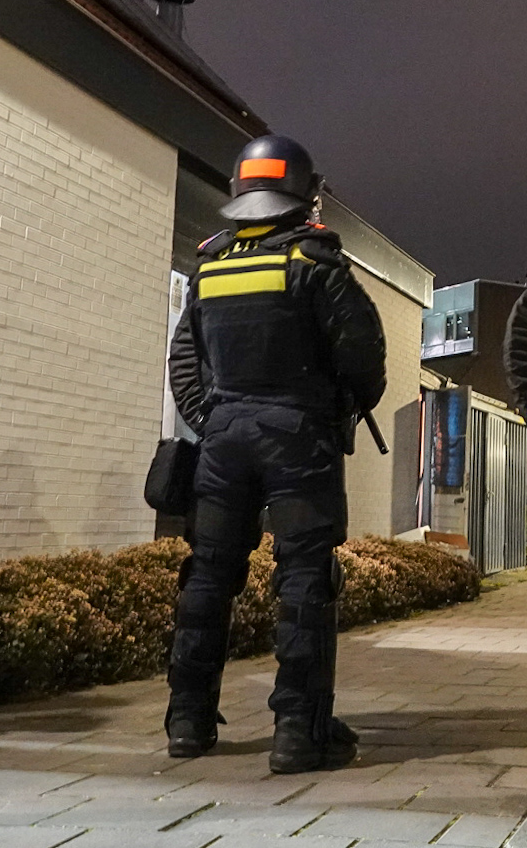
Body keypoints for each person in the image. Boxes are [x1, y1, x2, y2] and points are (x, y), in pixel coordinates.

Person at [165, 134, 386, 773]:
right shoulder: (317, 264)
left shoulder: (212, 266)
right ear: (304, 196)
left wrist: (213, 418)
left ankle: (188, 721)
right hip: (299, 440)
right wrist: (324, 409)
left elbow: (186, 360)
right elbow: (365, 361)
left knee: (207, 574)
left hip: (223, 441)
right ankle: (298, 732)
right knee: (305, 580)